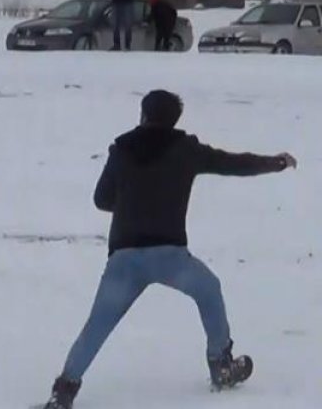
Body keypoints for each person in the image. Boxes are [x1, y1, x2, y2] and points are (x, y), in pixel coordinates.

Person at [41, 90, 297, 409]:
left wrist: (133, 198)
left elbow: (102, 200)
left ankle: (64, 390)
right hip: (170, 256)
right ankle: (221, 364)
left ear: (144, 114)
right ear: (174, 119)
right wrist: (276, 162)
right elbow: (233, 163)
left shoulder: (121, 150)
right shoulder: (186, 149)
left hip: (125, 257)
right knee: (209, 289)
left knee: (97, 325)